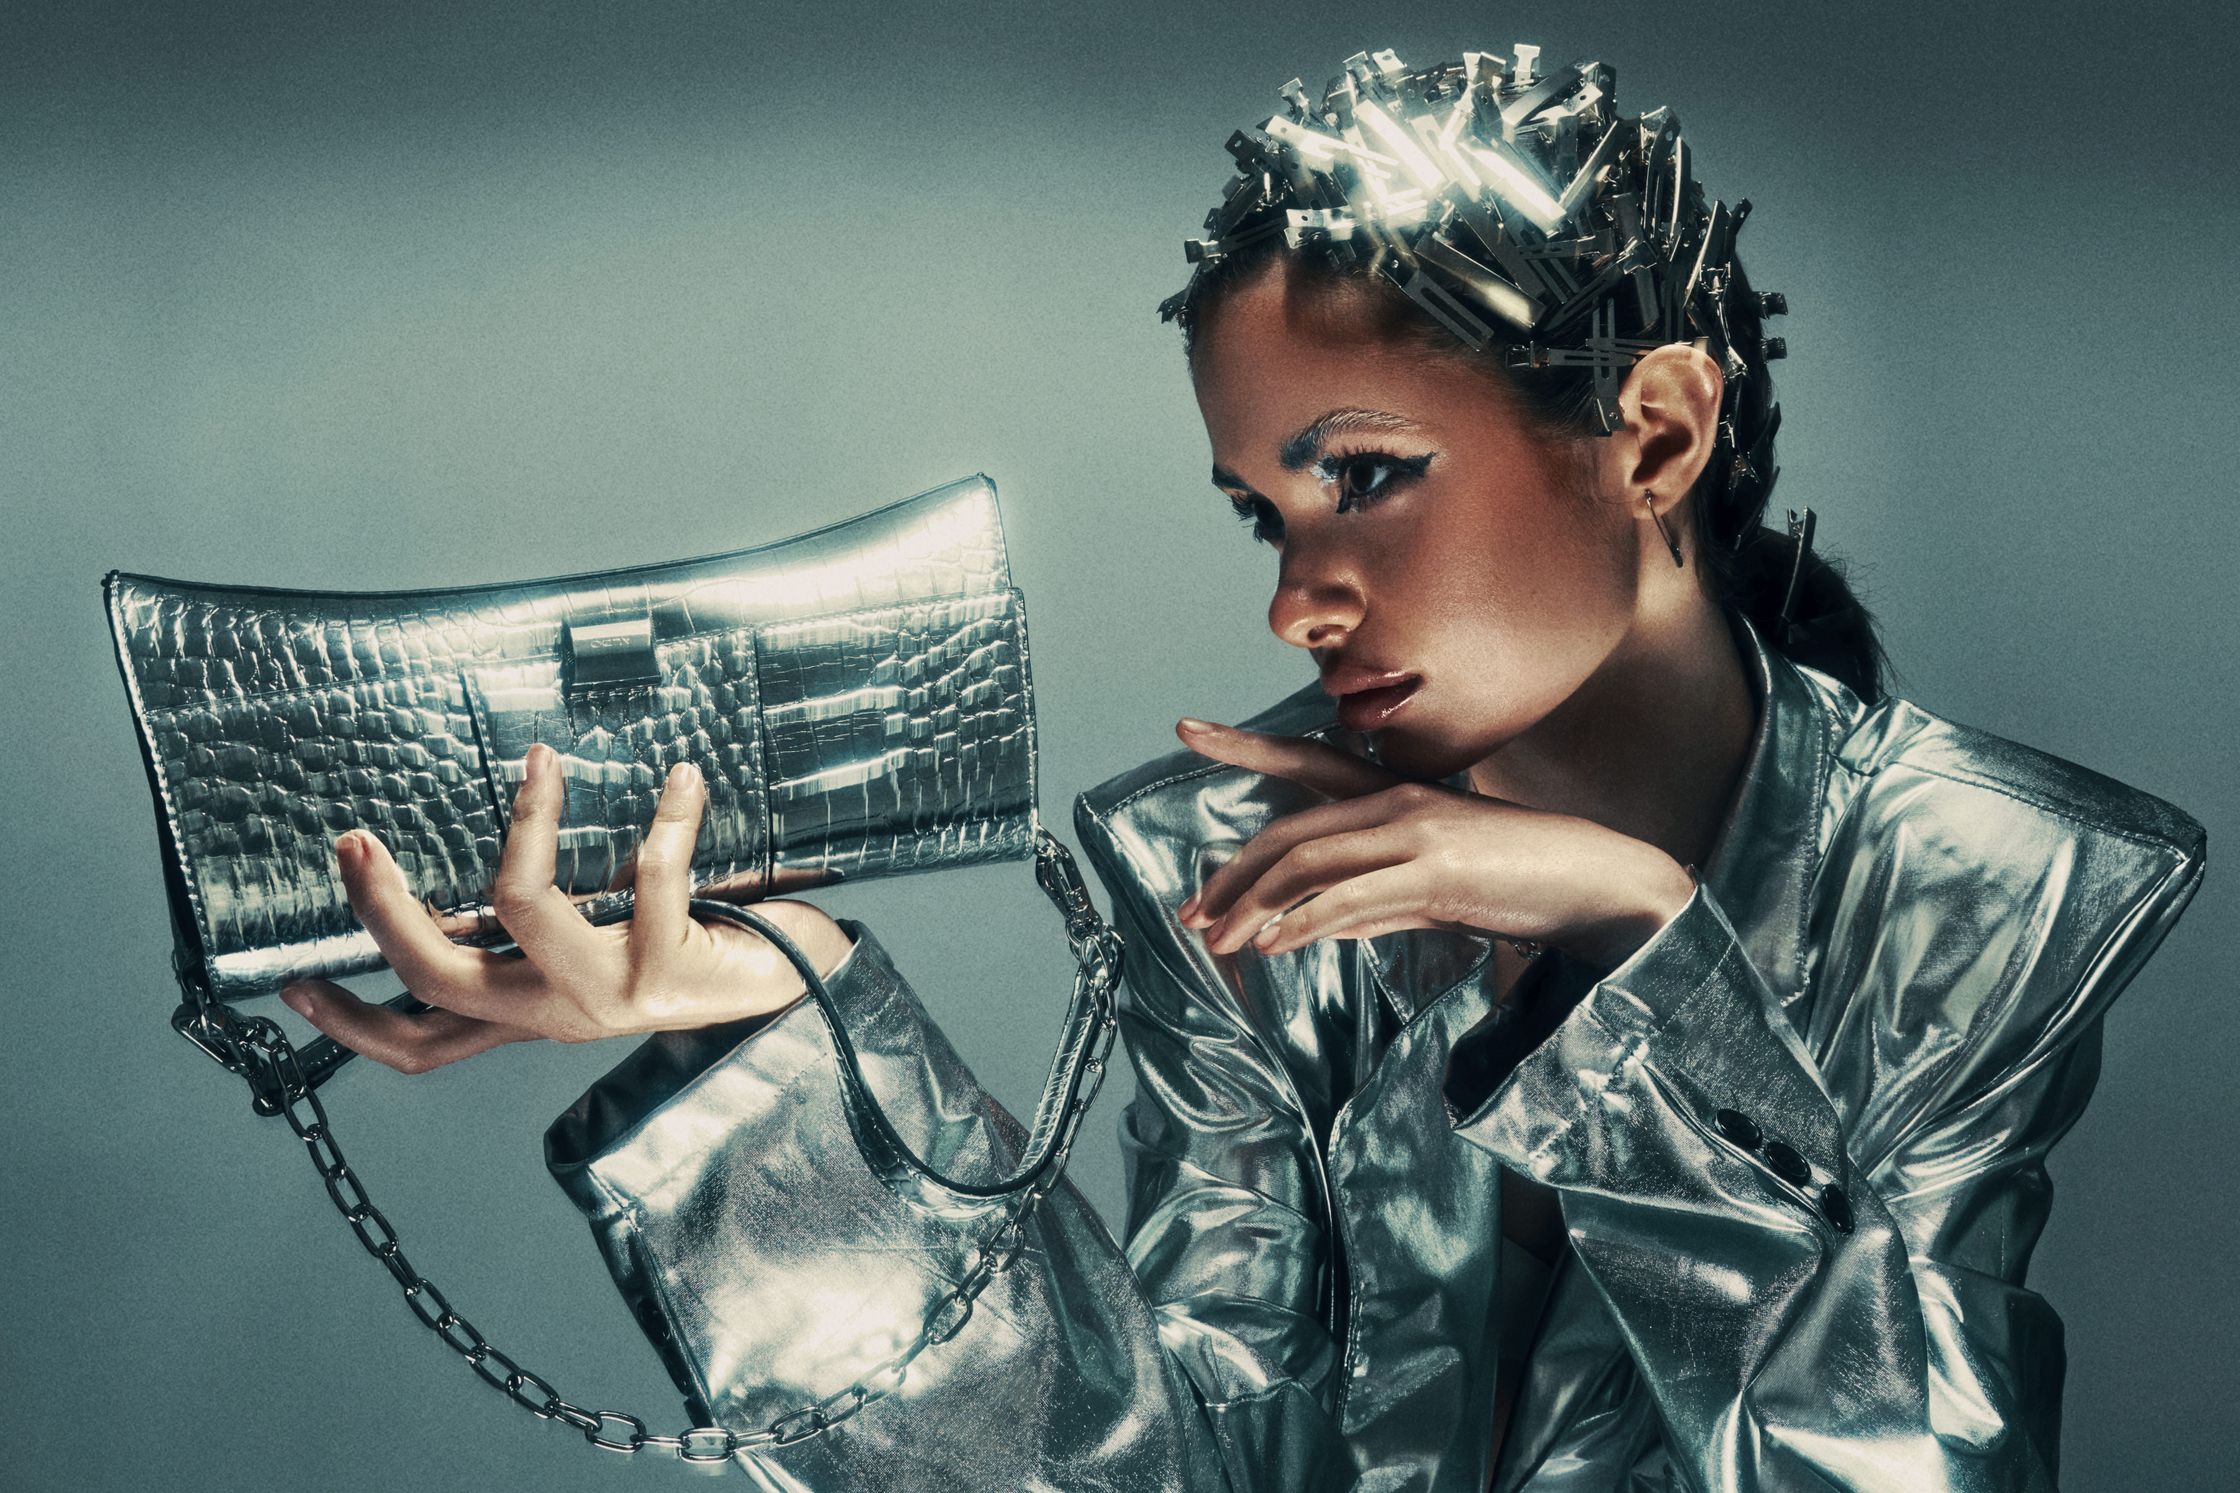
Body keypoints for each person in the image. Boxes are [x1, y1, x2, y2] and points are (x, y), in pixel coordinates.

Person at [277, 44, 2205, 1492]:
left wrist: (1642, 949)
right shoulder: (1234, 867)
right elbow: (1159, 1464)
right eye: (1261, 510)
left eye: (1365, 476)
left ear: (1659, 427)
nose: (1301, 598)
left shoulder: (1989, 888)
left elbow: (1901, 1468)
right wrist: (788, 1042)